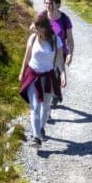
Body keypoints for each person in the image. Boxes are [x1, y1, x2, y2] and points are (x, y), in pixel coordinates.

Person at [18, 12, 65, 146]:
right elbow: (26, 57)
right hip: (33, 75)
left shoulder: (56, 41)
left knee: (46, 106)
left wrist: (63, 75)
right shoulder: (32, 38)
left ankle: (42, 128)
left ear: (44, 28)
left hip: (48, 76)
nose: (34, 29)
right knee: (35, 106)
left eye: (37, 27)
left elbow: (60, 60)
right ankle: (36, 137)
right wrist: (22, 73)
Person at [41, 0, 74, 109]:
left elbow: (69, 39)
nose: (48, 5)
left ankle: (54, 95)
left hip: (60, 53)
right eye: (46, 3)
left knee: (55, 76)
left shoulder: (65, 19)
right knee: (46, 79)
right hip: (45, 54)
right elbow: (34, 29)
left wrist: (70, 53)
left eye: (50, 3)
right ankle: (48, 105)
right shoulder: (42, 16)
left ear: (58, 5)